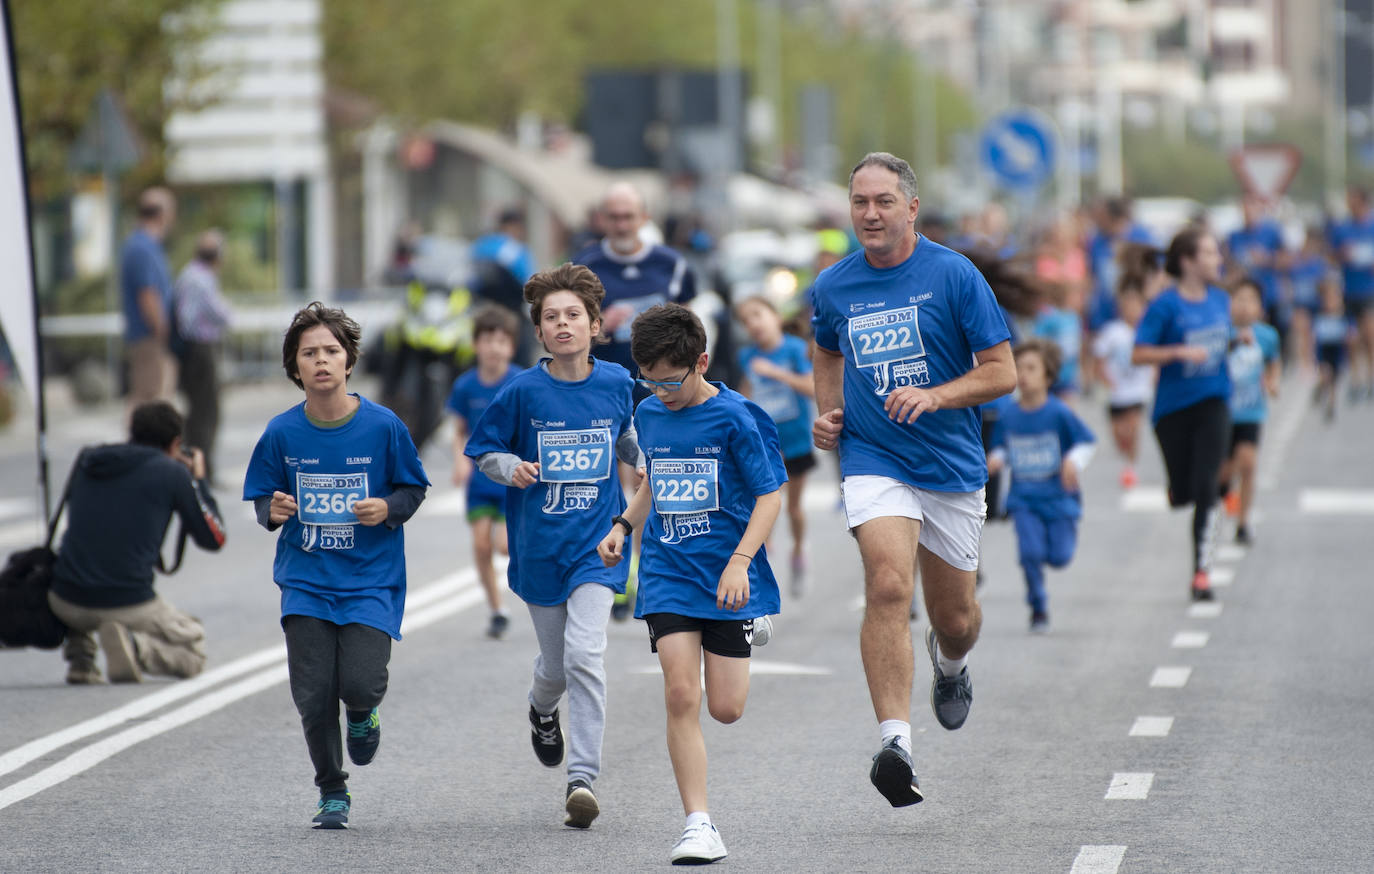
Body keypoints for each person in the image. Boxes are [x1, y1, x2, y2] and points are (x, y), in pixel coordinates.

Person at [810, 152, 1016, 808]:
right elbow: (824, 346)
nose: (870, 214)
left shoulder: (954, 276)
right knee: (888, 583)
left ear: (911, 208)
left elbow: (1002, 371)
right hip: (875, 458)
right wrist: (828, 408)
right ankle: (895, 742)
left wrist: (937, 395)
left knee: (955, 617)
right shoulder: (833, 286)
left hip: (950, 464)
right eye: (860, 202)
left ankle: (950, 666)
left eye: (883, 202)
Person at [597, 302, 784, 865]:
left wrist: (740, 562)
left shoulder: (737, 419)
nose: (659, 392)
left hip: (727, 573)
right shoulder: (651, 413)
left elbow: (770, 495)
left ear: (701, 361)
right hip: (668, 573)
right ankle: (699, 824)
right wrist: (623, 527)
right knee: (682, 694)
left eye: (670, 380)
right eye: (648, 382)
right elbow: (655, 482)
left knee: (726, 708)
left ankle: (751, 620)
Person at [464, 263, 639, 830]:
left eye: (573, 316)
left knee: (586, 654)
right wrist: (510, 466)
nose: (562, 325)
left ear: (594, 325)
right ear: (538, 330)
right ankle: (542, 711)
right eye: (550, 317)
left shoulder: (616, 383)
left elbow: (632, 441)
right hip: (539, 548)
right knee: (556, 667)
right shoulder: (521, 391)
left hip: (597, 546)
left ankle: (581, 779)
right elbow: (484, 449)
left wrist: (661, 460)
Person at [242, 302, 430, 830]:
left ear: (349, 361)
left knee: (361, 682)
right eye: (309, 353)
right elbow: (263, 501)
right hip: (305, 580)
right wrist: (271, 511)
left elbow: (413, 488)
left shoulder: (383, 426)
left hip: (369, 579)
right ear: (294, 366)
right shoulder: (282, 434)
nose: (321, 361)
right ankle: (331, 790)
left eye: (331, 351)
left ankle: (365, 713)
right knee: (313, 690)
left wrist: (387, 508)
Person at [575, 182, 698, 620]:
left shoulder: (672, 265)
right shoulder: (585, 268)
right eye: (614, 216)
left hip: (658, 391)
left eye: (630, 216)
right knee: (613, 482)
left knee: (649, 479)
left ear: (644, 217)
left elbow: (689, 327)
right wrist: (599, 326)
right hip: (603, 390)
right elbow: (567, 325)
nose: (623, 224)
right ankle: (615, 568)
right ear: (602, 219)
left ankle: (645, 572)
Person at [48, 401, 226, 685]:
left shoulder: (89, 459)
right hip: (128, 603)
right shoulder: (172, 473)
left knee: (86, 560)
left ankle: (81, 659)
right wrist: (198, 480)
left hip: (64, 599)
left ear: (131, 432)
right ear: (176, 443)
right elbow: (214, 538)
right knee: (194, 652)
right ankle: (137, 648)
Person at [1132, 227, 1232, 602]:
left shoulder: (1221, 300)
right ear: (1188, 262)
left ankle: (1201, 573)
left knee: (1208, 487)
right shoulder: (1165, 306)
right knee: (1185, 493)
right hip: (1172, 410)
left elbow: (1223, 340)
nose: (1217, 260)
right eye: (1209, 254)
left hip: (1214, 401)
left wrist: (1240, 340)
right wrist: (1177, 353)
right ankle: (1182, 488)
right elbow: (1138, 353)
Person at [987, 340, 1096, 632]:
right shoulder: (1009, 415)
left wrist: (1073, 461)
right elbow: (1001, 447)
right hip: (1024, 500)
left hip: (1060, 499)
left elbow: (1086, 442)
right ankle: (1038, 607)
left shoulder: (1059, 413)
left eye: (1031, 368)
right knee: (1030, 553)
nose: (1024, 374)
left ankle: (1059, 540)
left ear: (1048, 376)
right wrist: (995, 460)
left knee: (1060, 557)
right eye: (1019, 368)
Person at [446, 306, 523, 638]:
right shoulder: (466, 386)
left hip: (513, 482)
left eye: (502, 341)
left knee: (505, 547)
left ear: (512, 346)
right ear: (476, 344)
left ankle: (533, 593)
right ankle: (497, 609)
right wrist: (460, 459)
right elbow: (459, 429)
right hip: (480, 481)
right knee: (480, 546)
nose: (495, 348)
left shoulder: (521, 381)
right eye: (488, 340)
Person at [735, 295, 816, 596]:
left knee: (793, 508)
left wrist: (776, 373)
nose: (753, 324)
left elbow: (812, 389)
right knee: (764, 505)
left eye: (757, 314)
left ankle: (798, 550)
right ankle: (760, 567)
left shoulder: (794, 349)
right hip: (766, 445)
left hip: (795, 442)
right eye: (746, 321)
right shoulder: (748, 356)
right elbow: (744, 395)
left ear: (775, 315)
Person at [1218, 276, 1281, 545]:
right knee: (1224, 470)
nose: (1244, 306)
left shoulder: (1267, 336)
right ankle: (1223, 492)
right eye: (1238, 299)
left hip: (1251, 411)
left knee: (1249, 463)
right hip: (1221, 412)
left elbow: (1273, 363)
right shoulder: (1220, 332)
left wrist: (1272, 381)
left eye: (1250, 301)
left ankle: (1243, 523)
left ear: (1260, 308)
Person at [173, 229, 233, 484]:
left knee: (197, 410)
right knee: (207, 410)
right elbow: (218, 313)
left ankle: (193, 465)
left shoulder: (189, 274)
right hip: (201, 347)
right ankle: (202, 470)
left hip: (190, 349)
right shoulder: (201, 278)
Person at [1092, 272, 1157, 489]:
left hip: (1137, 390)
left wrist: (1154, 376)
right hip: (1117, 391)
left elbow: (1154, 357)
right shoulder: (1112, 332)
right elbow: (1099, 357)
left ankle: (1131, 466)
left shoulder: (1146, 331)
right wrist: (1105, 378)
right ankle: (1125, 454)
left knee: (1133, 427)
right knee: (1119, 433)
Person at [121, 187, 178, 407]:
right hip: (149, 338)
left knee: (150, 398)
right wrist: (161, 330)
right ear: (162, 214)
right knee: (148, 400)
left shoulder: (145, 246)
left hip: (148, 336)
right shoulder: (142, 248)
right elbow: (147, 295)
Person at [1327, 187, 1374, 400]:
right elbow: (1330, 257)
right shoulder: (1343, 229)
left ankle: (1371, 379)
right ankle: (1356, 380)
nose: (1350, 205)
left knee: (1370, 334)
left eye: (1353, 200)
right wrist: (1341, 254)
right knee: (1352, 339)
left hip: (1369, 289)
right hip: (1349, 290)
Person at [1312, 277, 1352, 422]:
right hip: (1323, 351)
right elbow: (1314, 335)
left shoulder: (1344, 315)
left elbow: (1350, 334)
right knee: (1326, 375)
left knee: (1334, 380)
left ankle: (1332, 405)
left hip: (1338, 351)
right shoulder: (1319, 314)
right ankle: (1320, 387)